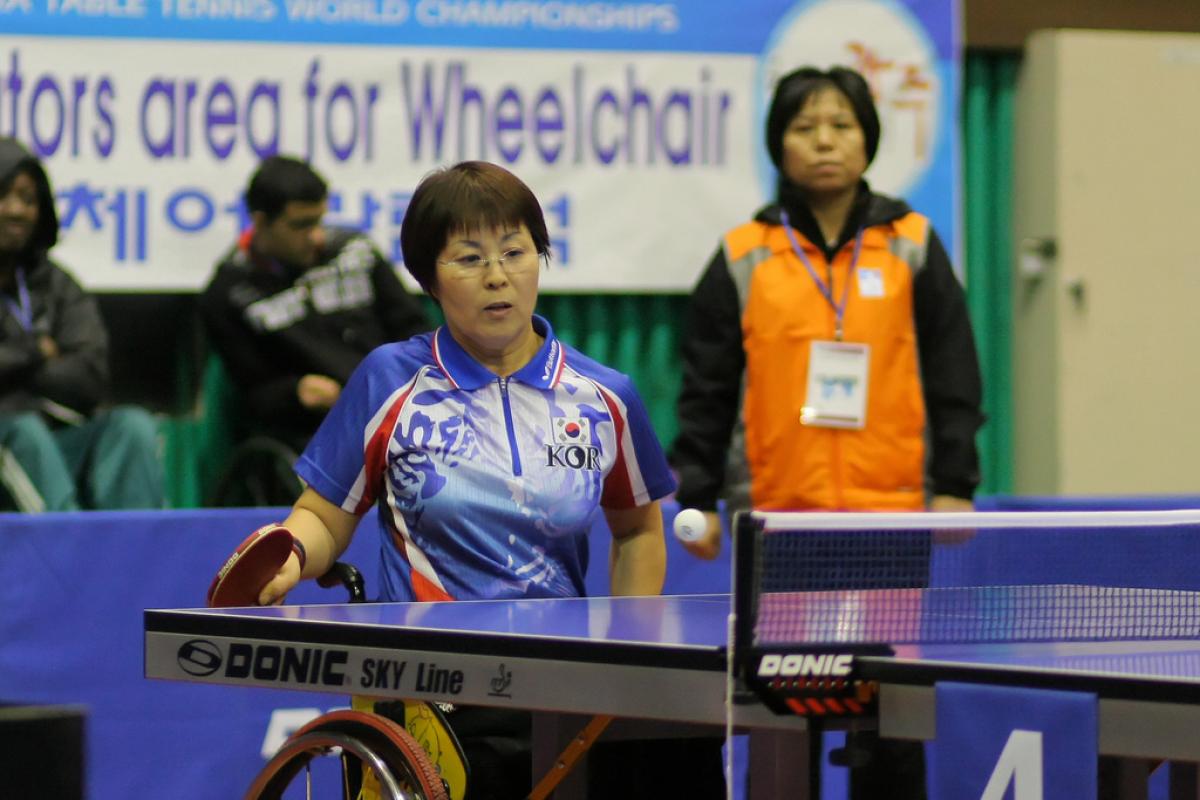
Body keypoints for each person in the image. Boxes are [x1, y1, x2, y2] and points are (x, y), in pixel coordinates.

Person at [236, 161, 720, 798]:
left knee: (680, 740)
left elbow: (635, 529)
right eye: (468, 258)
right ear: (429, 278)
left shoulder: (603, 395)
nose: (498, 276)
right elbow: (327, 515)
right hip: (433, 690)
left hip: (560, 680)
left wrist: (628, 658)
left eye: (515, 252)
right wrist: (294, 554)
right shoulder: (392, 381)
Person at [670, 66, 985, 798]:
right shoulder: (745, 253)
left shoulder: (911, 244)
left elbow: (953, 373)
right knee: (785, 717)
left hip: (891, 519)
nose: (824, 142)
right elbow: (706, 388)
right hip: (778, 523)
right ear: (778, 143)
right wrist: (699, 493)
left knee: (891, 717)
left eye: (841, 125)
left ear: (867, 140)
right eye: (804, 127)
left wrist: (955, 484)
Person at [199, 155, 431, 456]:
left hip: (399, 403)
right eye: (301, 225)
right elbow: (255, 392)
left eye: (319, 220)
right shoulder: (228, 293)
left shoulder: (355, 251)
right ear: (260, 222)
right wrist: (296, 391)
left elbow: (413, 326)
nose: (316, 236)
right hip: (318, 431)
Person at [0, 137, 164, 512]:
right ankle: (72, 559)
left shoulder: (57, 285)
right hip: (12, 439)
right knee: (24, 432)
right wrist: (37, 350)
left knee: (130, 426)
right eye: (3, 195)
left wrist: (14, 365)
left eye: (28, 199)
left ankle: (139, 557)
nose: (16, 211)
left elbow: (90, 377)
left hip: (58, 440)